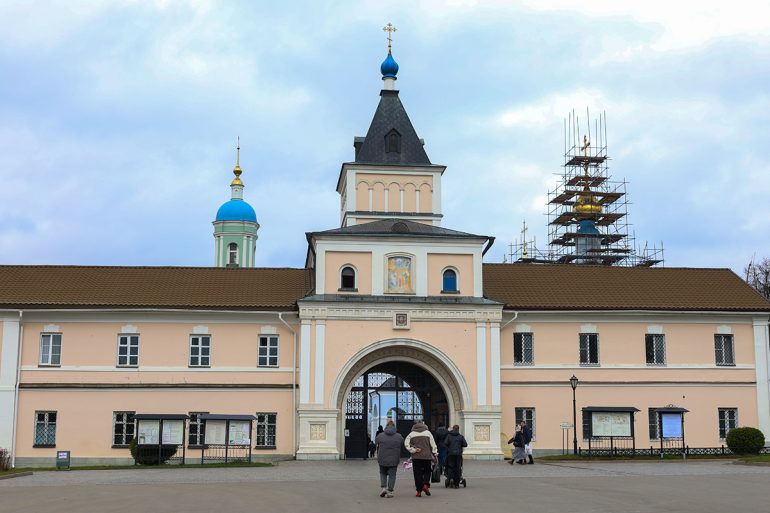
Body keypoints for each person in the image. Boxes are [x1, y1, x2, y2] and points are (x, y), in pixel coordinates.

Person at [404, 419, 438, 497]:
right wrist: (435, 453)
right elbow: (433, 444)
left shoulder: (411, 434)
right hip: (427, 456)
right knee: (427, 471)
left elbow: (406, 444)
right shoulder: (428, 433)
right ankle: (426, 485)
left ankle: (419, 491)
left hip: (416, 457)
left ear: (414, 425)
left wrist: (413, 450)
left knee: (417, 474)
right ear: (423, 424)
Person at [375, 420, 403, 498]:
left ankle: (383, 488)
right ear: (394, 427)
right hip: (394, 458)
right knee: (392, 475)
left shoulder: (380, 435)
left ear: (386, 426)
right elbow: (402, 443)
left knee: (382, 473)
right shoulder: (399, 436)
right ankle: (390, 491)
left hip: (382, 458)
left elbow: (376, 441)